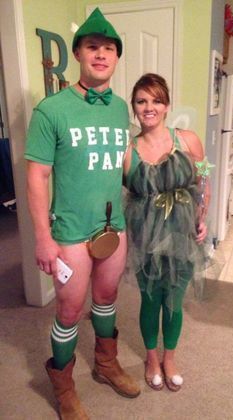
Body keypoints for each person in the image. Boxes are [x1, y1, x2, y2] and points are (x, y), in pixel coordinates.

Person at [25, 8, 140, 420]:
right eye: (93, 47)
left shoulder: (119, 108)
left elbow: (125, 162)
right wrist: (43, 236)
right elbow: (37, 176)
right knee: (69, 311)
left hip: (114, 227)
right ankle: (65, 387)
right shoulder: (51, 110)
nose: (101, 54)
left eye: (109, 48)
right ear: (78, 53)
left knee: (107, 298)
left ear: (116, 57)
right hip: (70, 231)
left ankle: (106, 365)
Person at [123, 73, 210, 392]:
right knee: (150, 299)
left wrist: (202, 216)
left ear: (166, 105)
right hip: (144, 238)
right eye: (141, 101)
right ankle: (150, 357)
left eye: (156, 100)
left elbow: (204, 178)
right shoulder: (127, 151)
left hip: (182, 234)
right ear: (134, 107)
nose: (149, 107)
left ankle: (169, 358)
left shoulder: (189, 139)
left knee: (173, 297)